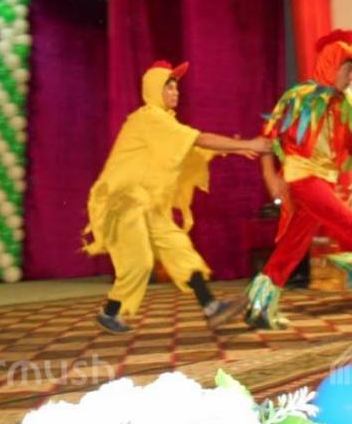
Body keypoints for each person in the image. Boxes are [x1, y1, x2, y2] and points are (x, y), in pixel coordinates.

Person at [82, 60, 271, 334]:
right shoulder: (149, 118)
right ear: (153, 89)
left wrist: (233, 148)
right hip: (123, 201)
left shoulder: (164, 122)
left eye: (176, 87)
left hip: (148, 203)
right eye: (168, 86)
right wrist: (246, 143)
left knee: (178, 247)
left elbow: (188, 150)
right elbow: (198, 140)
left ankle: (211, 307)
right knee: (140, 262)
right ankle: (110, 312)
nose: (175, 92)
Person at [245, 30, 352, 329]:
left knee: (293, 245)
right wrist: (270, 176)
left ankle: (259, 304)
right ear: (332, 65)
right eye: (348, 68)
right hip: (302, 177)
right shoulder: (299, 98)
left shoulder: (347, 104)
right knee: (350, 225)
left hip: (324, 181)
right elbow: (268, 138)